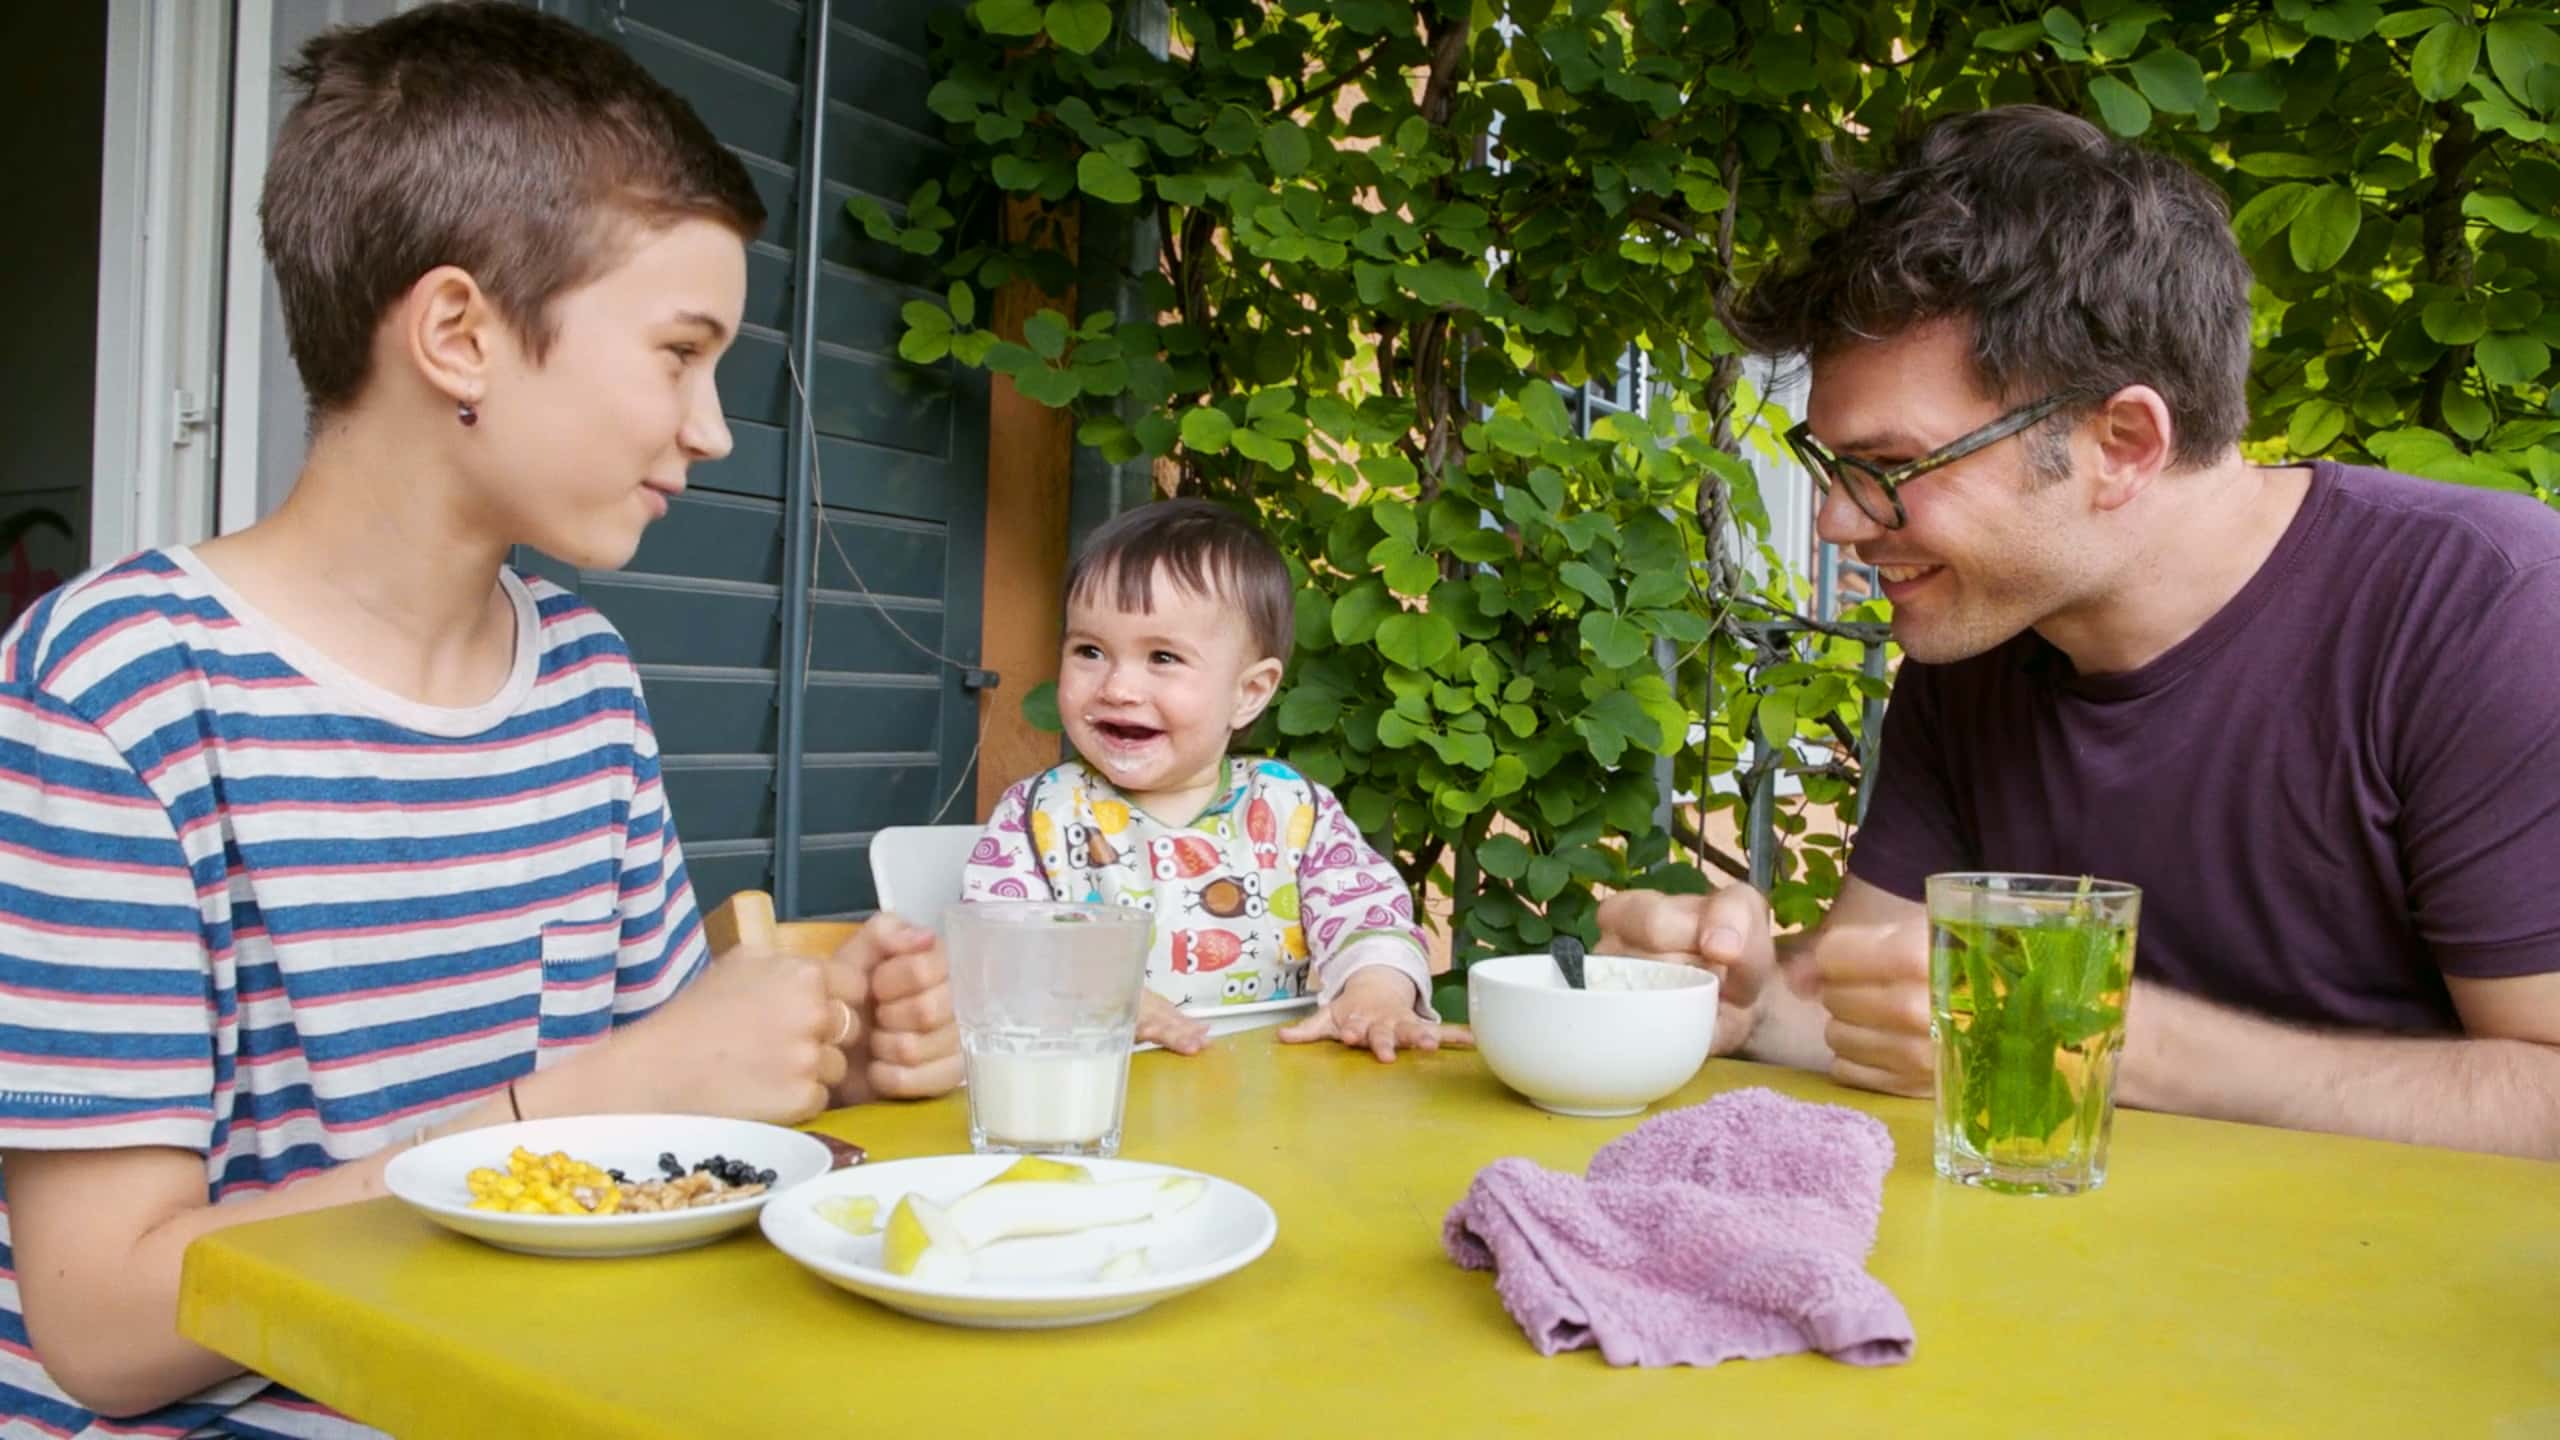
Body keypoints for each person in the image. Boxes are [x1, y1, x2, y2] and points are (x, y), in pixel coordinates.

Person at [0, 8, 962, 1433]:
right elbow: (103, 1323)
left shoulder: (581, 679)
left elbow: (647, 1132)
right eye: (680, 352)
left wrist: (820, 1064)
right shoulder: (121, 689)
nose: (711, 428)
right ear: (459, 333)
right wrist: (608, 1093)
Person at [1601, 105, 2560, 1160]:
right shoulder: (1979, 625)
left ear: (2122, 442)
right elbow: (1870, 1003)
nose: (1837, 520)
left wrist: (2108, 1040)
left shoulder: (2487, 610)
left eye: (1891, 467)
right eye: (1833, 466)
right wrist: (1742, 1007)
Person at [962, 499, 1466, 1062]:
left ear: (1248, 693)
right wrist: (1101, 993)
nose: (1117, 687)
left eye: (1162, 657)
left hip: (1269, 1102)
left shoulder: (1291, 811)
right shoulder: (1041, 816)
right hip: (1102, 1092)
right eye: (1090, 651)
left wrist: (1376, 990)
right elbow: (996, 946)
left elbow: (1364, 914)